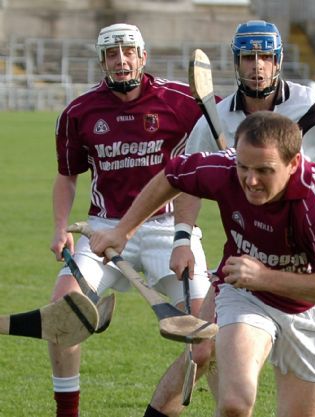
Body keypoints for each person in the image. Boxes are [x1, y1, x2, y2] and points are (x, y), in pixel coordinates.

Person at [139, 20, 315, 417]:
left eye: (265, 57)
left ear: (278, 61)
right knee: (201, 348)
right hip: (249, 251)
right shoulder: (215, 118)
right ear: (237, 62)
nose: (257, 66)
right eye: (249, 57)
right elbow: (188, 178)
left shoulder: (314, 105)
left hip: (314, 256)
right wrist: (182, 237)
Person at [90, 110, 315, 417]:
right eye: (243, 167)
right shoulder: (224, 168)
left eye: (264, 170)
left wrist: (264, 276)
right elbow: (172, 174)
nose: (251, 180)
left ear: (293, 163)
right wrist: (123, 231)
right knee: (235, 403)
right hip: (245, 295)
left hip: (309, 307)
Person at [48, 23, 211, 417]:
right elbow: (67, 176)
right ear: (102, 61)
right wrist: (60, 227)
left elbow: (228, 123)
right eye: (111, 53)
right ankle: (67, 412)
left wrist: (184, 237)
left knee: (207, 339)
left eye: (128, 51)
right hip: (104, 229)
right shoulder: (79, 112)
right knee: (62, 315)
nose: (121, 60)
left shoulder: (180, 101)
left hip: (168, 229)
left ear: (143, 56)